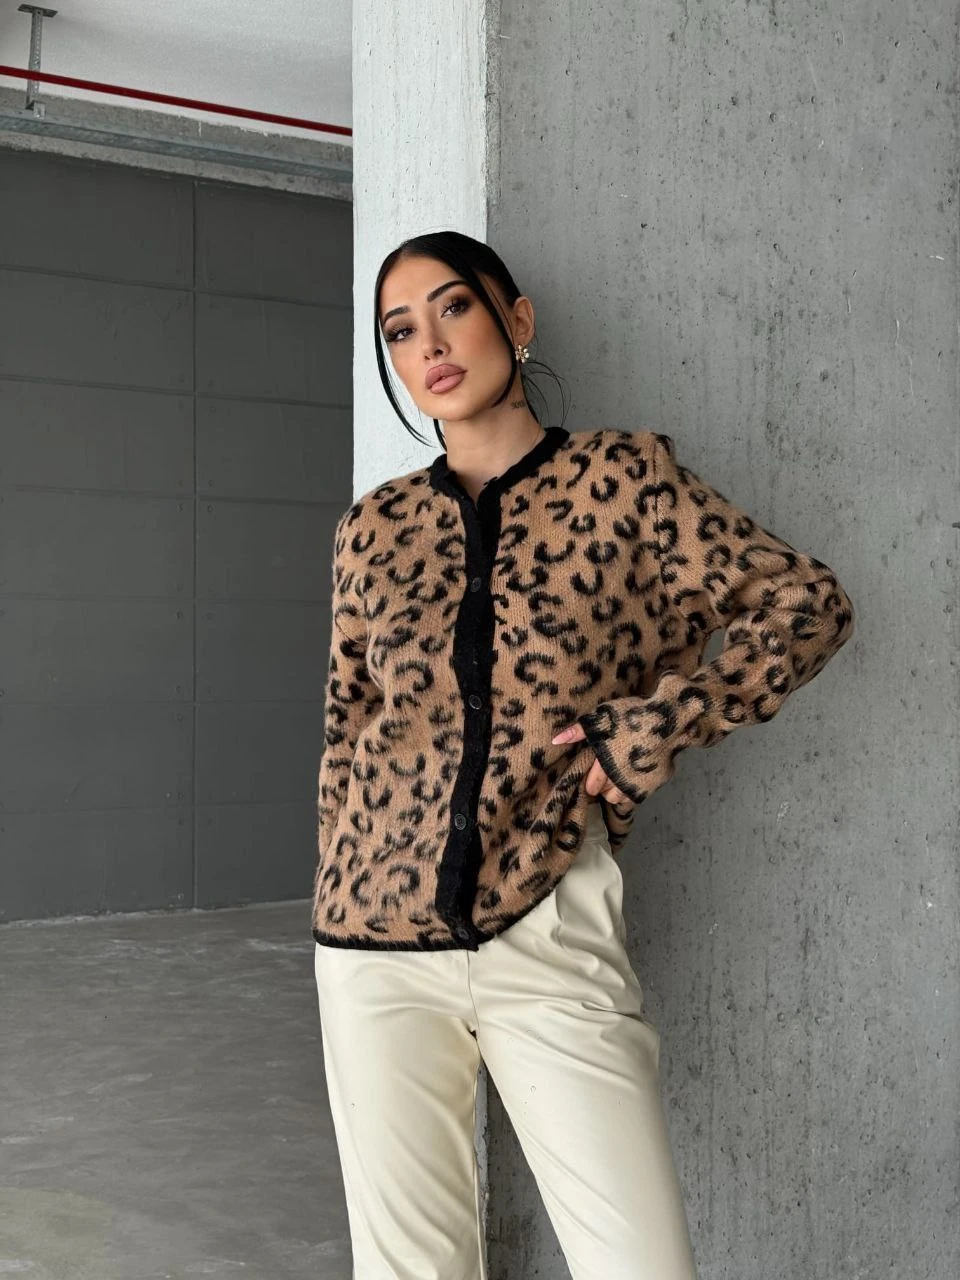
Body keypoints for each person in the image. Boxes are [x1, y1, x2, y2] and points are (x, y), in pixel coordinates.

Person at [311, 231, 855, 1280]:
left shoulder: (625, 481)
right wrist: (338, 888)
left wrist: (654, 726)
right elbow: (346, 731)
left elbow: (806, 605)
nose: (431, 345)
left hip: (548, 917)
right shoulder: (372, 529)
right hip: (372, 945)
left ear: (516, 319)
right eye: (400, 330)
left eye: (453, 307)